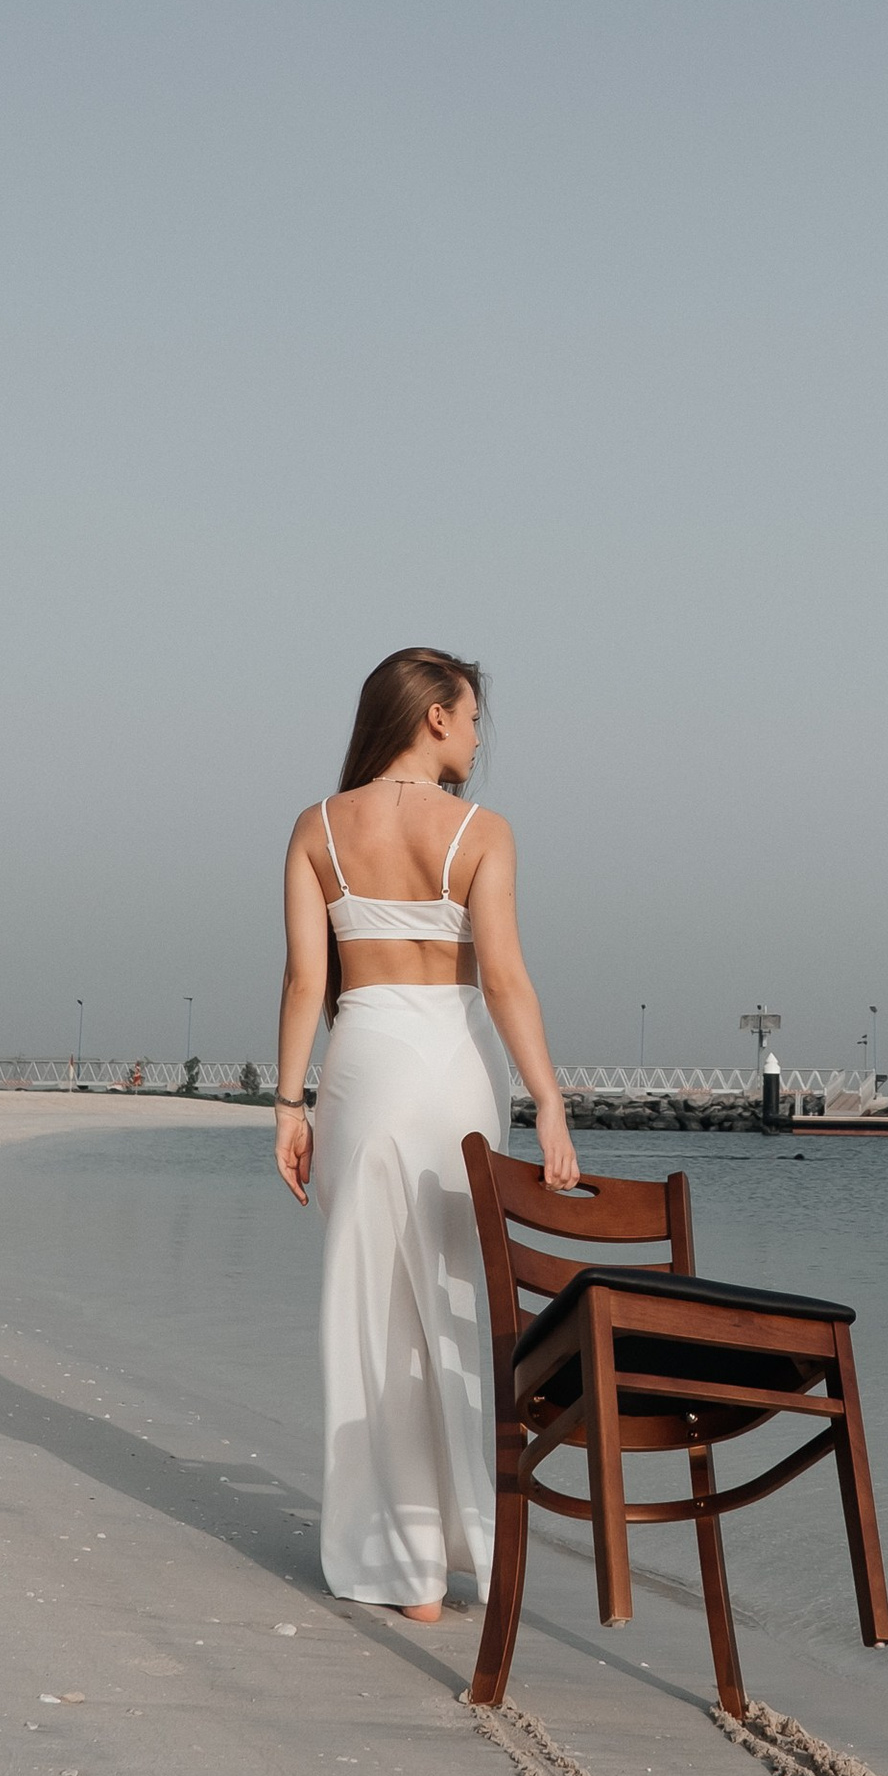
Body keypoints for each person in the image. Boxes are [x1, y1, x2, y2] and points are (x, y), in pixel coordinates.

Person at [273, 647, 579, 1624]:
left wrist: (289, 1106)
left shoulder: (317, 828)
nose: (480, 738)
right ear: (435, 716)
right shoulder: (481, 832)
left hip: (361, 1069)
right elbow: (506, 980)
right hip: (454, 1071)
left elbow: (307, 983)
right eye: (474, 717)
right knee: (456, 1307)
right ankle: (468, 1547)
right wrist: (551, 1101)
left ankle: (398, 1569)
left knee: (369, 1308)